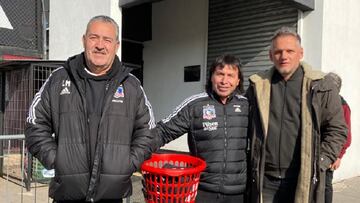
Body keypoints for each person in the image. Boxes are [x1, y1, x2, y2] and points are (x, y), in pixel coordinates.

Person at [25, 15, 155, 203]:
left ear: (116, 46)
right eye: (94, 37)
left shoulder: (131, 86)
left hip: (112, 196)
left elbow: (148, 131)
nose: (100, 45)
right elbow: (34, 124)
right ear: (84, 40)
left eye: (107, 40)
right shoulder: (59, 79)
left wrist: (127, 164)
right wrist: (58, 161)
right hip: (68, 195)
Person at [246, 27, 347, 203]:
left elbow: (337, 130)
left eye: (289, 51)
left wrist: (319, 163)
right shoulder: (257, 85)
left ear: (300, 53)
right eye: (278, 51)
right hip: (265, 180)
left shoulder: (322, 86)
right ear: (271, 56)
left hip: (302, 180)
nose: (283, 56)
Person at [152, 54, 249, 203]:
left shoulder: (247, 106)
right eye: (220, 74)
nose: (224, 81)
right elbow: (163, 131)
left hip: (237, 193)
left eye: (230, 75)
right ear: (211, 77)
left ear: (238, 81)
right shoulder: (195, 105)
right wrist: (135, 153)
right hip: (202, 191)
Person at [325, 72, 352, 203]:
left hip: (331, 153)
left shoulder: (343, 106)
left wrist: (339, 156)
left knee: (325, 186)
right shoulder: (321, 101)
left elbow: (346, 135)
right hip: (317, 151)